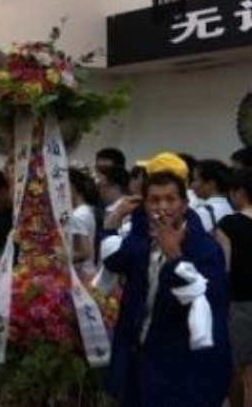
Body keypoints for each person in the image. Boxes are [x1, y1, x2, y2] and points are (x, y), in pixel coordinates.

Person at [103, 152, 231, 407]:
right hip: (140, 361)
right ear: (144, 204)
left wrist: (174, 256)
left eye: (171, 199)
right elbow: (115, 261)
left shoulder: (204, 247)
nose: (162, 207)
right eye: (154, 200)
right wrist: (113, 222)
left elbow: (203, 301)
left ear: (184, 204)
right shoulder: (143, 239)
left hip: (183, 370)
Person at [217, 167, 252, 407]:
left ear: (239, 192)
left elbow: (224, 267)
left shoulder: (229, 224)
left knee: (240, 367)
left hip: (240, 303)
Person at [68, 168, 100, 279]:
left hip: (82, 276)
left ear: (72, 187)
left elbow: (85, 253)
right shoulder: (85, 210)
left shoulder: (78, 215)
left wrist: (58, 259)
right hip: (86, 273)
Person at [193, 159, 234, 232]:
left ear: (211, 183)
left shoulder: (202, 212)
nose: (192, 185)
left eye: (195, 180)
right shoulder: (233, 208)